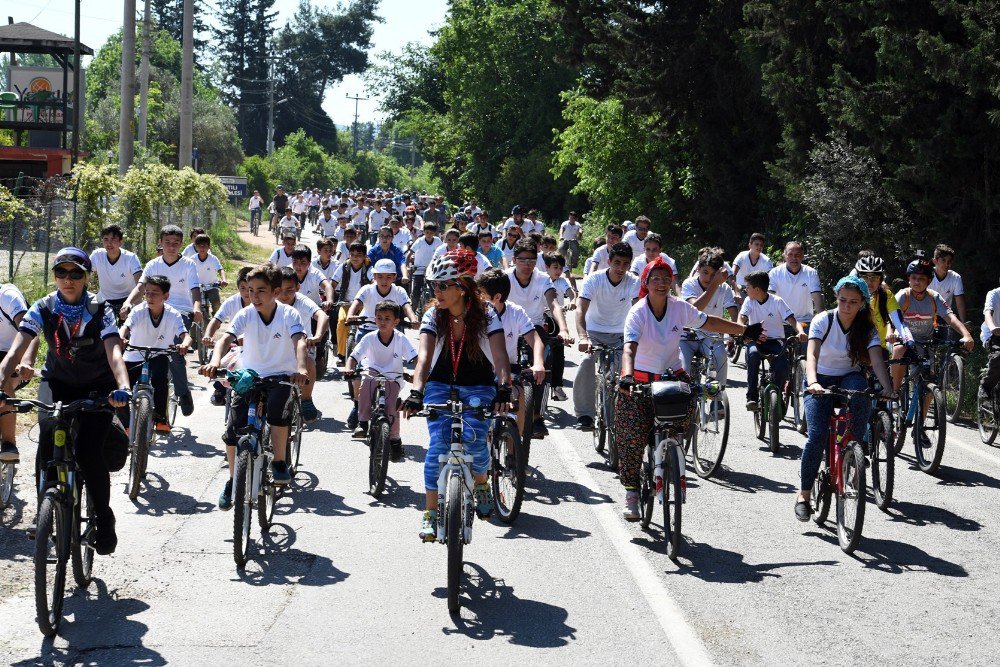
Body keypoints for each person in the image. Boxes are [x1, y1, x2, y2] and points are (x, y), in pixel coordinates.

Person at [0, 247, 131, 554]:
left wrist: (122, 386)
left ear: (87, 277)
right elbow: (15, 352)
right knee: (46, 441)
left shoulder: (101, 309)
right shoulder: (43, 308)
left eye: (76, 274)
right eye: (61, 273)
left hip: (98, 388)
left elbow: (114, 351)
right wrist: (3, 381)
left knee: (88, 452)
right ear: (55, 276)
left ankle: (104, 517)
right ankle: (47, 509)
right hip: (56, 383)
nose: (68, 280)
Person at [615, 258, 760, 520]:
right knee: (631, 437)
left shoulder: (680, 308)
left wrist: (743, 331)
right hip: (638, 379)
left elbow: (710, 322)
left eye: (666, 278)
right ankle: (633, 493)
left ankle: (673, 448)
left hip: (671, 375)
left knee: (687, 405)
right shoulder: (637, 312)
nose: (661, 283)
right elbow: (629, 348)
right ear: (646, 284)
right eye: (655, 279)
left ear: (672, 282)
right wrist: (626, 376)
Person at [401, 250, 512, 541]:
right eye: (433, 286)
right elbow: (423, 359)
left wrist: (503, 387)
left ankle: (482, 484)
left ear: (461, 287)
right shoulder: (432, 315)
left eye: (442, 286)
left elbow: (500, 358)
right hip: (439, 385)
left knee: (475, 441)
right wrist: (415, 392)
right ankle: (430, 513)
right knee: (438, 446)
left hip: (478, 386)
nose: (435, 291)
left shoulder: (486, 314)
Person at [201, 265, 308, 507]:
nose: (254, 296)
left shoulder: (289, 314)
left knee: (278, 412)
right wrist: (215, 361)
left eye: (261, 290)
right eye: (250, 291)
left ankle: (279, 461)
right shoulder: (246, 314)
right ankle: (232, 480)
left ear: (276, 291)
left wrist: (300, 368)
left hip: (280, 375)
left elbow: (299, 342)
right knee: (232, 430)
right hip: (249, 375)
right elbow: (226, 339)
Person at [796, 276, 895, 521]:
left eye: (853, 302)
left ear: (862, 303)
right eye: (842, 300)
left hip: (849, 376)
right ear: (836, 298)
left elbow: (876, 360)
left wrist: (887, 387)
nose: (846, 306)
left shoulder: (867, 327)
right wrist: (813, 382)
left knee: (861, 393)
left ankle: (854, 449)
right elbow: (812, 355)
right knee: (817, 436)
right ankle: (803, 495)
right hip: (819, 378)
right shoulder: (823, 320)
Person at [122, 225, 202, 417]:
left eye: (175, 243)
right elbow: (141, 287)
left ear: (181, 244)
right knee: (134, 343)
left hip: (179, 311)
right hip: (151, 307)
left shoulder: (189, 264)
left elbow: (195, 291)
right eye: (167, 243)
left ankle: (182, 392)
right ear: (160, 243)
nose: (171, 247)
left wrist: (197, 308)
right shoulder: (152, 264)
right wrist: (127, 302)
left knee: (175, 353)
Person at [506, 240, 573, 437]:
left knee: (542, 366)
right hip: (508, 325)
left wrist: (564, 329)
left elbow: (553, 304)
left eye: (532, 260)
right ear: (514, 260)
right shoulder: (505, 277)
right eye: (522, 260)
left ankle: (537, 417)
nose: (527, 264)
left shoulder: (543, 279)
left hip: (533, 325)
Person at [573, 242, 639, 429]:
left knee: (624, 374)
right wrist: (583, 337)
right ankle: (585, 414)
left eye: (625, 264)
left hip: (621, 335)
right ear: (609, 261)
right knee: (586, 362)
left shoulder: (634, 281)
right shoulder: (594, 280)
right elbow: (580, 310)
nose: (620, 268)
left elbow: (637, 310)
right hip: (594, 333)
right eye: (617, 263)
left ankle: (621, 414)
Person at [890, 258, 974, 397]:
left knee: (929, 388)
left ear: (929, 281)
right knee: (899, 349)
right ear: (909, 279)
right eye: (914, 278)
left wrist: (966, 335)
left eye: (921, 278)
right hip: (904, 340)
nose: (917, 281)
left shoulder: (934, 297)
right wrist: (892, 333)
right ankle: (894, 392)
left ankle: (921, 419)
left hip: (925, 344)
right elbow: (892, 318)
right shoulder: (902, 296)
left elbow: (951, 317)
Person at [478, 269, 546, 439]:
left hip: (509, 367)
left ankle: (514, 454)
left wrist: (538, 363)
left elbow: (535, 339)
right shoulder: (475, 314)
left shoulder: (515, 312)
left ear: (497, 297)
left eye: (481, 294)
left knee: (521, 397)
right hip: (480, 368)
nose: (477, 298)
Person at [344, 300, 417, 459]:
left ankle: (395, 440)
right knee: (365, 384)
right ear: (374, 319)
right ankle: (362, 422)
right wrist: (349, 367)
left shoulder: (401, 339)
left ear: (396, 321)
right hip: (372, 371)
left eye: (387, 318)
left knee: (392, 407)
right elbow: (354, 357)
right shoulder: (369, 338)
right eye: (379, 318)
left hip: (393, 376)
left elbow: (415, 359)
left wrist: (418, 375)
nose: (382, 321)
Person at [120, 275, 193, 431]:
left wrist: (184, 344)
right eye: (147, 292)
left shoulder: (173, 314)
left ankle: (161, 419)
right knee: (123, 388)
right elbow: (126, 327)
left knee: (160, 380)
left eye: (155, 293)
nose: (150, 296)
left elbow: (185, 336)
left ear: (165, 296)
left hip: (159, 354)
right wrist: (121, 337)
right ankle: (124, 425)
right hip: (133, 354)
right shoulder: (138, 311)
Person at [739, 270, 805, 411]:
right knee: (753, 355)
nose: (745, 289)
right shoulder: (749, 301)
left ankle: (777, 393)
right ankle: (752, 397)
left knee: (782, 366)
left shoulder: (777, 301)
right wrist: (743, 330)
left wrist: (801, 332)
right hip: (755, 340)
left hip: (775, 341)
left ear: (757, 289)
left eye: (748, 287)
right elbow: (741, 319)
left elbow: (793, 321)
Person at [679, 249, 738, 388]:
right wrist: (714, 285)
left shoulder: (724, 288)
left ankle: (717, 399)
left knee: (721, 357)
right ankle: (682, 401)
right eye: (705, 272)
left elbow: (733, 312)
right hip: (687, 336)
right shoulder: (689, 284)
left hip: (711, 335)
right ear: (698, 269)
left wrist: (735, 332)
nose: (709, 278)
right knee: (682, 369)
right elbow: (695, 309)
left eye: (713, 275)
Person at [277, 268, 329, 422]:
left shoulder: (303, 301)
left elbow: (322, 316)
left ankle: (306, 399)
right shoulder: (269, 302)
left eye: (289, 290)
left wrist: (318, 335)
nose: (284, 295)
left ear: (298, 288)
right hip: (277, 346)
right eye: (280, 290)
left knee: (309, 364)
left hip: (303, 345)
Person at [203, 266, 253, 406]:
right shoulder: (231, 301)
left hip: (256, 343)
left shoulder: (262, 303)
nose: (246, 292)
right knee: (219, 351)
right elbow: (216, 320)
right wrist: (208, 335)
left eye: (250, 288)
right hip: (234, 342)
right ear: (238, 287)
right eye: (242, 288)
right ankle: (219, 389)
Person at [0, 281, 29, 462]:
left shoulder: (8, 296)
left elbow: (29, 329)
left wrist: (26, 361)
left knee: (1, 379)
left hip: (15, 353)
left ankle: (9, 444)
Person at [89, 224, 143, 318]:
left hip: (128, 299)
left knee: (132, 329)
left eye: (113, 239)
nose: (109, 243)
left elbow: (141, 284)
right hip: (104, 300)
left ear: (121, 242)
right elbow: (84, 275)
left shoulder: (131, 258)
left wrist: (128, 303)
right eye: (106, 239)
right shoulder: (97, 255)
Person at [768, 241, 823, 325]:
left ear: (803, 256)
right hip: (781, 322)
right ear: (784, 256)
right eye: (790, 254)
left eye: (797, 254)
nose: (794, 258)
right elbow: (770, 297)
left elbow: (817, 297)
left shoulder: (811, 273)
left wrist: (823, 321)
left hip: (805, 320)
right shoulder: (774, 273)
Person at [408, 222, 443, 307]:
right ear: (423, 232)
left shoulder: (438, 241)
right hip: (419, 269)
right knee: (416, 292)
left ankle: (435, 308)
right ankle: (414, 309)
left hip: (432, 270)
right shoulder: (419, 241)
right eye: (427, 232)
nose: (429, 234)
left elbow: (442, 253)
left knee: (434, 291)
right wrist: (407, 266)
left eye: (431, 233)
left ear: (434, 233)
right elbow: (410, 253)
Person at [929, 244, 966, 323]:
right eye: (943, 260)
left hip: (945, 316)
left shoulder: (956, 277)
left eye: (949, 261)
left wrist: (963, 323)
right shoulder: (926, 275)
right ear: (934, 261)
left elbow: (960, 303)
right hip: (924, 315)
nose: (947, 264)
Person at [191, 234, 226, 318]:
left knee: (216, 303)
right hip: (197, 288)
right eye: (199, 246)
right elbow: (186, 272)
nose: (202, 248)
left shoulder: (213, 259)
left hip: (211, 286)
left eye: (205, 246)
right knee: (194, 306)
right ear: (196, 247)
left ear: (209, 247)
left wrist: (223, 279)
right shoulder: (192, 259)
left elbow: (220, 269)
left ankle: (216, 318)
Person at [732, 232, 773, 301]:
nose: (759, 247)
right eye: (757, 244)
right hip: (740, 289)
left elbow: (772, 277)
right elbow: (732, 273)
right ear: (750, 245)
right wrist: (736, 289)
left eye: (761, 245)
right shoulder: (741, 256)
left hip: (757, 290)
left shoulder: (766, 260)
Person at [979, 278, 1000, 402]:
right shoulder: (993, 294)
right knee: (998, 356)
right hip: (993, 335)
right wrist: (992, 327)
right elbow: (988, 313)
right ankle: (985, 386)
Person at [558, 211, 582, 277]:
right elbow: (561, 230)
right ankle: (564, 259)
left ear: (575, 219)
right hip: (564, 239)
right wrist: (561, 236)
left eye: (573, 218)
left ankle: (574, 263)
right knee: (560, 248)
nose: (571, 219)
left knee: (576, 250)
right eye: (570, 218)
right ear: (569, 217)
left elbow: (580, 230)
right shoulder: (565, 223)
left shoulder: (577, 224)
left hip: (573, 240)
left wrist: (580, 234)